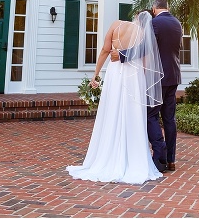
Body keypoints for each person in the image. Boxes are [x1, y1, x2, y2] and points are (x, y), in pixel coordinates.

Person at [66, 11, 164, 184]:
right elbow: (146, 62)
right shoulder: (143, 33)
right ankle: (132, 157)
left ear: (134, 16)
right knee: (133, 114)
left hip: (114, 73)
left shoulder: (116, 24)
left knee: (111, 110)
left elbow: (105, 50)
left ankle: (107, 155)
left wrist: (95, 75)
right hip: (134, 77)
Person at [147, 0, 183, 172]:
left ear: (154, 8)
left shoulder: (155, 23)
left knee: (151, 115)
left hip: (158, 78)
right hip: (174, 76)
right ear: (167, 7)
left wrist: (122, 55)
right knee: (169, 119)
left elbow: (144, 48)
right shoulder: (177, 23)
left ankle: (159, 154)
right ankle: (171, 160)